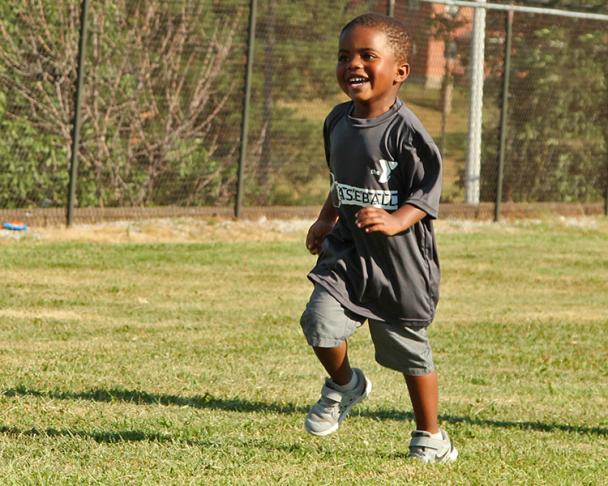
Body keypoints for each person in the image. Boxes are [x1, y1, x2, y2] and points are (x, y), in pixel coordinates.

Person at [299, 12, 457, 464]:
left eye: (369, 56)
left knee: (409, 352)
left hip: (400, 263)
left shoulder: (408, 133)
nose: (354, 65)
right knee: (319, 324)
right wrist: (326, 218)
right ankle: (346, 385)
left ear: (400, 72)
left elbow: (426, 195)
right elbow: (342, 179)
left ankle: (431, 436)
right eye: (345, 56)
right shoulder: (336, 121)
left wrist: (393, 220)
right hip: (348, 253)